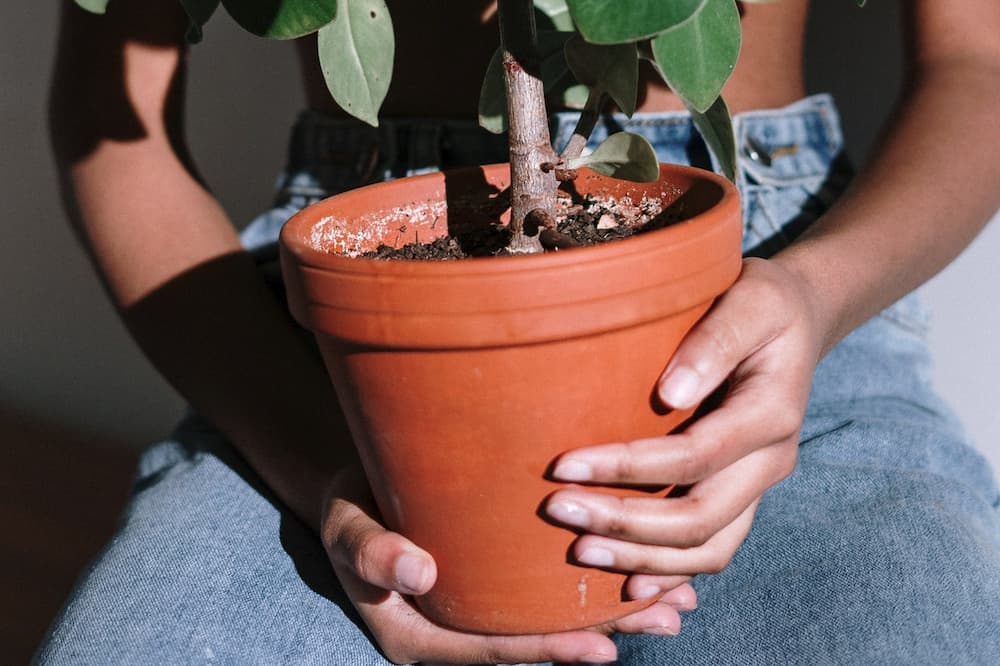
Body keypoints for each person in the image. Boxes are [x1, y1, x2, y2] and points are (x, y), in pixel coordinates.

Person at [39, 0, 1000, 663]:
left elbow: (978, 65)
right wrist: (326, 468)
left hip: (777, 296)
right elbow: (114, 125)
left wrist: (816, 297)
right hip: (344, 332)